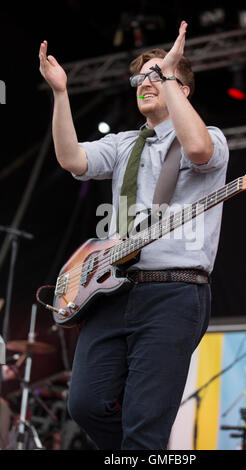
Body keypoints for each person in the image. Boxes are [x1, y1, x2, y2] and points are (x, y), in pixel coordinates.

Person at [39, 21, 229, 450]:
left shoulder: (210, 139)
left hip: (173, 293)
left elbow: (197, 149)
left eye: (158, 76)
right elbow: (72, 158)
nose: (146, 83)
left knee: (145, 425)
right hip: (113, 290)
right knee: (85, 404)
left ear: (183, 89)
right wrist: (61, 93)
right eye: (141, 77)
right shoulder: (125, 142)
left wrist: (169, 74)